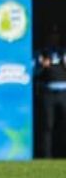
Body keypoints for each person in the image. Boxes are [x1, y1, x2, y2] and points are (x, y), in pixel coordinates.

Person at [34, 26, 66, 158]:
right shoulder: (40, 53)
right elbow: (30, 73)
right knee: (48, 125)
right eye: (51, 35)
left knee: (62, 125)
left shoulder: (63, 52)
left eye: (56, 35)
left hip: (64, 93)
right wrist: (42, 66)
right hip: (47, 93)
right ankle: (47, 155)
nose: (54, 38)